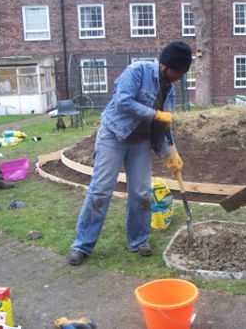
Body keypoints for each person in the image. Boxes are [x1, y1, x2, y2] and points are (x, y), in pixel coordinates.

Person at [69, 41, 192, 265]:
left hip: (140, 142)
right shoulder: (137, 71)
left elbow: (163, 126)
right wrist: (155, 114)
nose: (180, 77)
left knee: (141, 192)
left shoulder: (170, 90)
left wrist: (170, 155)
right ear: (166, 65)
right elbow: (123, 102)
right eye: (179, 71)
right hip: (113, 135)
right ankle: (82, 245)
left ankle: (138, 240)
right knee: (101, 191)